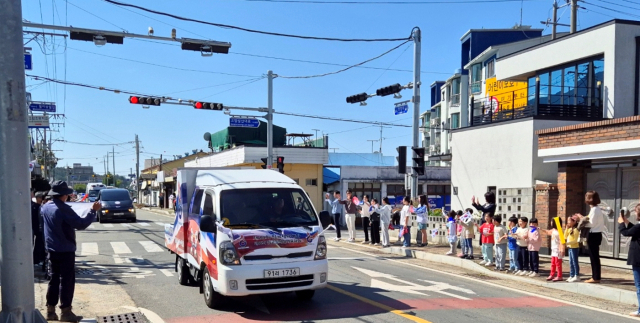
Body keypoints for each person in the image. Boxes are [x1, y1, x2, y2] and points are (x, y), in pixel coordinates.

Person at [42, 181, 100, 322]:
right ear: (65, 195)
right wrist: (93, 210)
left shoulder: (45, 207)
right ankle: (66, 312)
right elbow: (81, 224)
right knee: (66, 280)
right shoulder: (63, 209)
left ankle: (50, 311)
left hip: (51, 248)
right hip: (65, 249)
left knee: (53, 279)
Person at [577, 190, 606, 284]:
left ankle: (596, 277)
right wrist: (583, 217)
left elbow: (591, 223)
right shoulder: (596, 209)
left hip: (594, 234)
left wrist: (581, 220)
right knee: (594, 257)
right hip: (596, 234)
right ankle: (595, 276)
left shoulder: (594, 210)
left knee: (594, 257)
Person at [619, 203, 640, 317]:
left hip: (637, 259)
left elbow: (626, 232)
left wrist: (621, 223)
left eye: (636, 211)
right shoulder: (637, 227)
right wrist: (626, 222)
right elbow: (634, 229)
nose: (635, 213)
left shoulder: (638, 227)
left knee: (639, 285)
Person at [545, 217, 564, 282]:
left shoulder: (560, 231)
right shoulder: (553, 230)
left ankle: (559, 276)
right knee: (553, 263)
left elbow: (562, 241)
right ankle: (552, 274)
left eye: (552, 221)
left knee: (558, 264)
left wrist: (562, 250)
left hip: (558, 250)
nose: (551, 222)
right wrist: (540, 229)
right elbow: (547, 232)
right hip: (553, 249)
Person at [566, 214, 581, 282]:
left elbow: (575, 240)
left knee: (575, 262)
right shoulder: (569, 229)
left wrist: (567, 243)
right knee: (571, 262)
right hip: (570, 248)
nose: (568, 222)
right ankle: (571, 275)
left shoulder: (576, 230)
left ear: (574, 222)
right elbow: (565, 236)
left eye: (569, 220)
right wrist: (566, 228)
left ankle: (577, 275)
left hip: (574, 248)